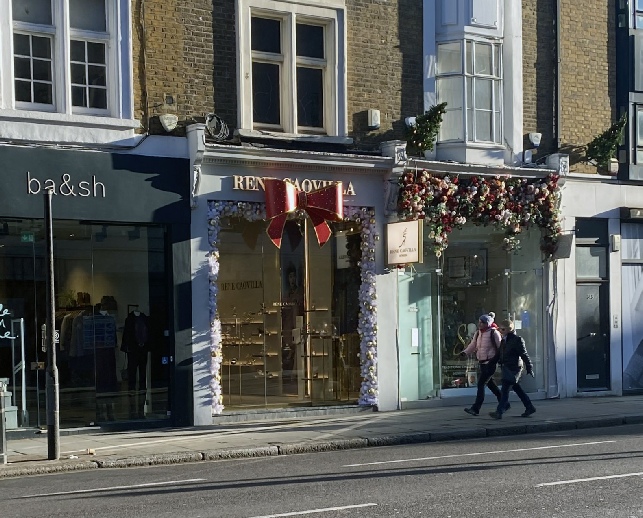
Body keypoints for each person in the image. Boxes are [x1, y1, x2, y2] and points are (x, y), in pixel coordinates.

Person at [489, 319, 536, 419]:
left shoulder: (517, 340)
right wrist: (490, 363)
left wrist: (529, 367)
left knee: (505, 389)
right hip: (506, 367)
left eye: (502, 329)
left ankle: (499, 411)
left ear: (508, 329)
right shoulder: (504, 340)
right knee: (517, 388)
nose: (500, 331)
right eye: (499, 329)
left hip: (514, 368)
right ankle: (529, 407)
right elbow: (498, 355)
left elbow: (524, 355)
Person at [462, 312, 504, 416]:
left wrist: (496, 360)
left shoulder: (494, 333)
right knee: (491, 385)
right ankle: (504, 403)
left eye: (482, 322)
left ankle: (476, 408)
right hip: (482, 362)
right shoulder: (478, 333)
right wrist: (465, 352)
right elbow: (473, 345)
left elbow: (501, 348)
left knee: (481, 384)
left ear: (487, 323)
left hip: (491, 363)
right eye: (479, 322)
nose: (480, 324)